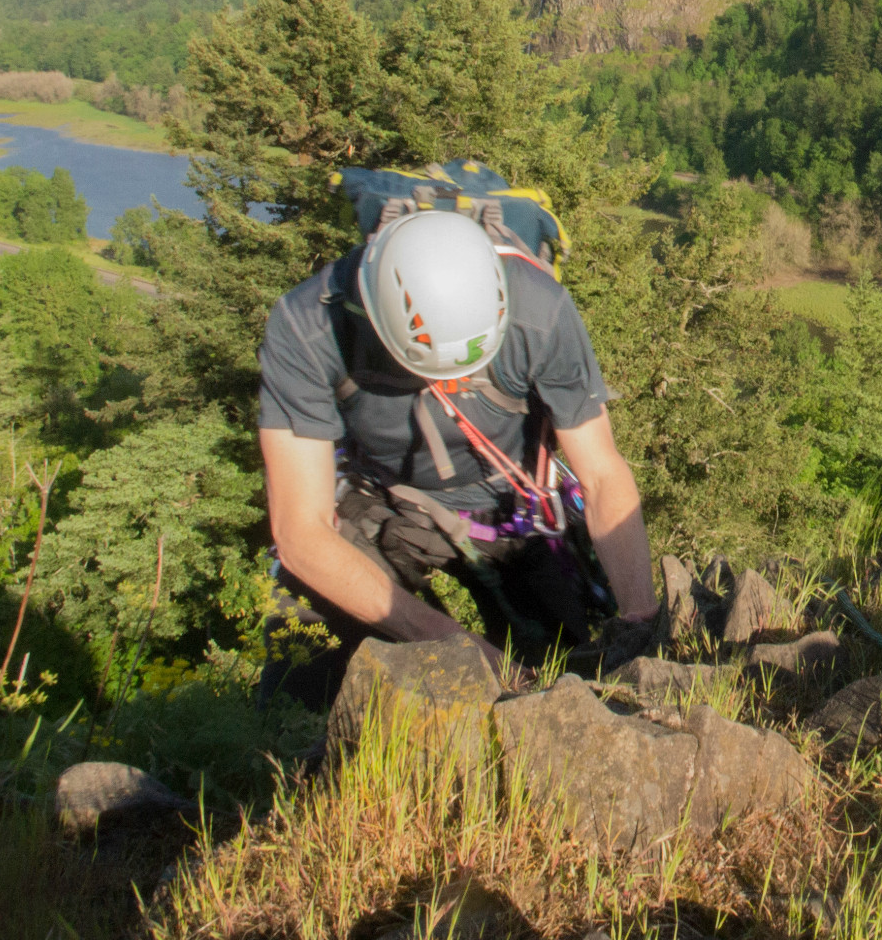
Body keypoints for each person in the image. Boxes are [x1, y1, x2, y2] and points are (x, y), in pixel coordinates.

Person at [256, 206, 656, 703]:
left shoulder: (537, 308)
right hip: (383, 498)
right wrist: (447, 641)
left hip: (511, 503)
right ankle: (296, 749)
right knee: (311, 655)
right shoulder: (308, 327)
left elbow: (600, 472)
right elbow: (301, 532)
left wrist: (643, 623)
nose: (453, 387)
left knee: (559, 662)